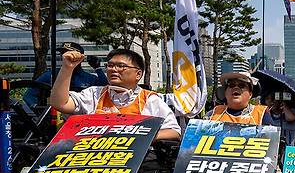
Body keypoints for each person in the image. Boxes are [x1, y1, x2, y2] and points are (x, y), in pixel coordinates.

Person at [50, 48, 180, 141]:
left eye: (121, 66)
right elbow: (60, 103)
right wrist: (67, 68)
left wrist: (141, 138)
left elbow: (174, 132)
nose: (113, 69)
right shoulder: (94, 94)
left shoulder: (149, 99)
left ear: (138, 74)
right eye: (110, 65)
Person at [24, 42, 108, 108]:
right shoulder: (49, 76)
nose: (65, 56)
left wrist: (97, 69)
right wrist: (40, 112)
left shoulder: (90, 78)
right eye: (62, 53)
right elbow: (29, 96)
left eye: (70, 53)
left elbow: (105, 91)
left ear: (80, 57)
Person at [208, 72, 274, 125]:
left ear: (250, 94)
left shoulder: (261, 114)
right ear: (225, 93)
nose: (236, 88)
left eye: (241, 86)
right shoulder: (212, 114)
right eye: (231, 85)